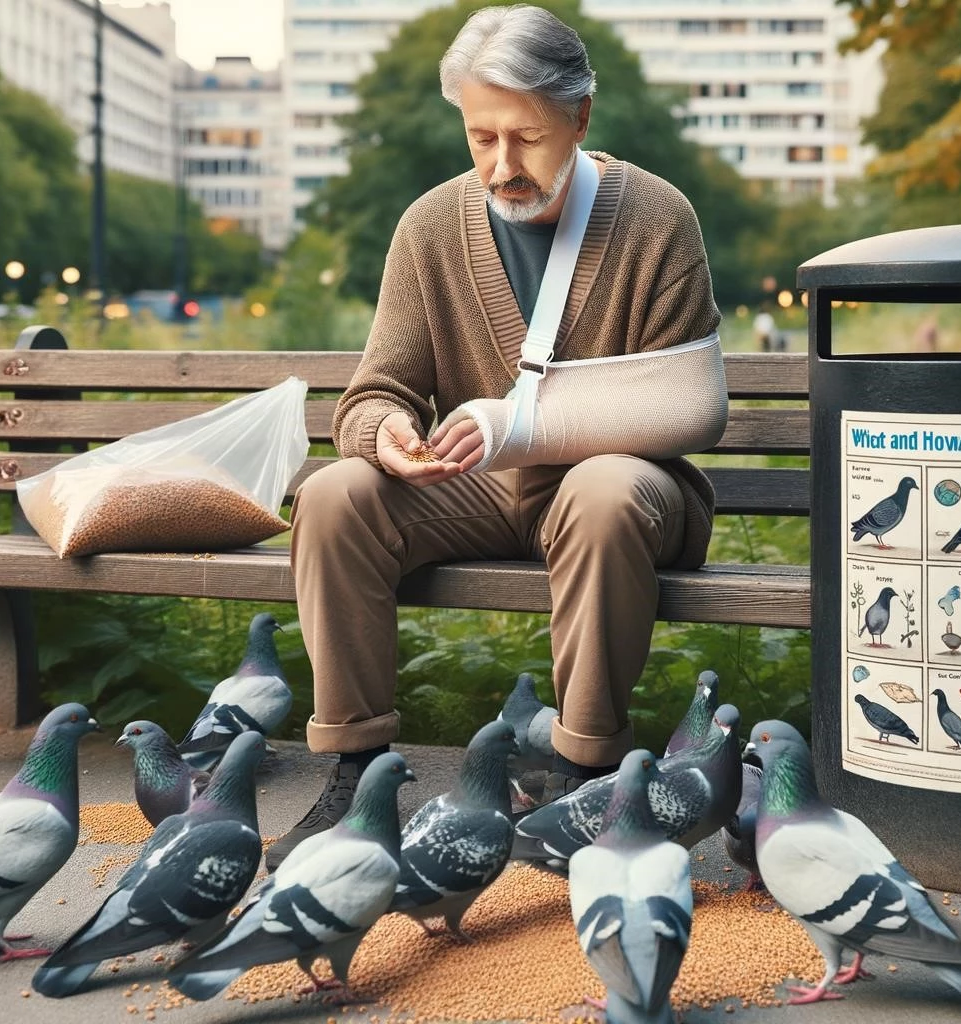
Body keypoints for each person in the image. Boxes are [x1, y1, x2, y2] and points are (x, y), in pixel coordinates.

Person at [273, 3, 724, 869]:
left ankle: (579, 774)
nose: (501, 166)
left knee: (602, 492)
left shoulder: (658, 220)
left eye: (526, 136)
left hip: (623, 497)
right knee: (334, 494)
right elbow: (371, 394)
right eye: (481, 138)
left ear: (581, 117)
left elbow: (690, 409)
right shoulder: (432, 227)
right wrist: (387, 432)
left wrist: (513, 423)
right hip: (477, 490)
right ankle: (355, 777)